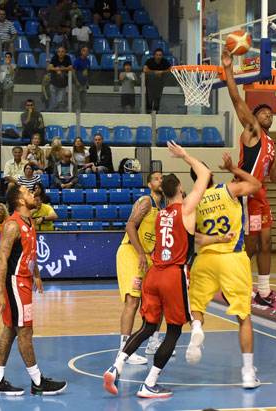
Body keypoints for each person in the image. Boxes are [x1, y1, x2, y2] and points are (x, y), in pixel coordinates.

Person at [104, 142, 212, 398]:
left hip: (153, 275)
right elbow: (205, 174)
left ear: (163, 191)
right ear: (181, 190)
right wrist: (184, 155)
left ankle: (116, 366)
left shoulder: (161, 213)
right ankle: (150, 384)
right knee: (174, 330)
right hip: (173, 274)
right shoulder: (186, 209)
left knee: (147, 327)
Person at [222, 50, 276, 311]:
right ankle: (231, 283)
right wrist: (228, 69)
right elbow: (235, 98)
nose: (269, 116)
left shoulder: (272, 143)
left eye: (271, 115)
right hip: (247, 193)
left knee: (267, 243)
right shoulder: (253, 131)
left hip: (261, 194)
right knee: (250, 245)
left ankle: (263, 292)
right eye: (264, 113)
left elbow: (275, 178)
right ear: (255, 117)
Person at [185, 151, 263, 389]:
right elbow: (256, 184)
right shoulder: (228, 189)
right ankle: (248, 373)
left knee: (196, 308)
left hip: (205, 259)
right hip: (233, 259)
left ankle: (197, 329)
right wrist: (233, 169)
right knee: (244, 318)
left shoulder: (193, 201)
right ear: (210, 175)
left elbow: (194, 236)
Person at [0, 184, 67, 396]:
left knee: (10, 329)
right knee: (25, 331)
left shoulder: (29, 221)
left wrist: (37, 275)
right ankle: (38, 382)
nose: (33, 194)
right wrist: (0, 291)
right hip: (15, 283)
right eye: (28, 192)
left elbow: (30, 252)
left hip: (23, 281)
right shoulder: (13, 225)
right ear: (21, 201)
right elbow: (1, 258)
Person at [113, 171, 162, 366]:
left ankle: (153, 342)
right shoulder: (145, 201)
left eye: (162, 178)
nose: (160, 180)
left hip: (148, 257)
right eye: (156, 178)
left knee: (157, 300)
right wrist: (141, 252)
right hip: (132, 252)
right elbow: (130, 226)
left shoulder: (161, 208)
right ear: (149, 184)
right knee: (132, 301)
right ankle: (123, 351)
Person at [143, 49, 171, 113]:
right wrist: (155, 72)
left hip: (159, 84)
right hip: (150, 84)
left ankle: (156, 113)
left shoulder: (164, 61)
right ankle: (148, 113)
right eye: (157, 55)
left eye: (160, 55)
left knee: (157, 99)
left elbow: (170, 70)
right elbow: (145, 70)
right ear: (154, 55)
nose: (158, 56)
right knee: (149, 99)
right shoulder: (149, 61)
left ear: (162, 55)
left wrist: (162, 71)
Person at [48, 47, 72, 112]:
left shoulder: (67, 58)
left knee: (60, 101)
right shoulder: (55, 58)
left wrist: (60, 69)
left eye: (62, 52)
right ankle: (51, 113)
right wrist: (56, 70)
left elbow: (70, 68)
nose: (60, 53)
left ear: (65, 52)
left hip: (63, 85)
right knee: (53, 102)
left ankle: (59, 113)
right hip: (54, 84)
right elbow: (50, 67)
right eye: (59, 52)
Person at [72, 45, 89, 111]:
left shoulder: (88, 61)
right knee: (75, 100)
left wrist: (86, 82)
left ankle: (83, 113)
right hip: (76, 84)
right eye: (84, 50)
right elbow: (73, 71)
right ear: (81, 52)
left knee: (84, 100)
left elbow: (85, 72)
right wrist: (76, 81)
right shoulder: (77, 60)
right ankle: (69, 110)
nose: (85, 52)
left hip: (83, 83)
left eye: (87, 51)